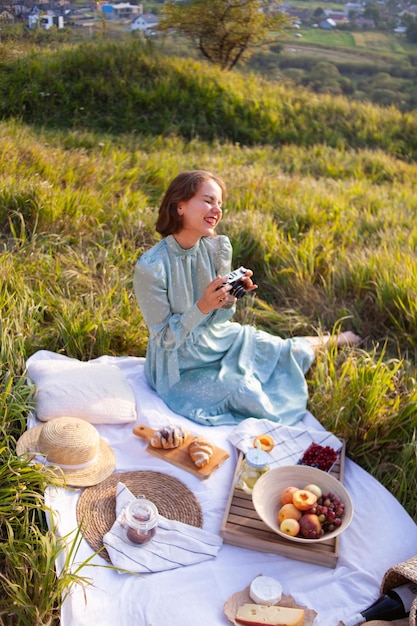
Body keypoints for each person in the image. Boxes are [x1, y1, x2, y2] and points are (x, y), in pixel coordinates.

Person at [133, 170, 360, 427]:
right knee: (247, 392)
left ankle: (335, 340)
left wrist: (230, 296)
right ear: (180, 206)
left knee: (276, 348)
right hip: (178, 368)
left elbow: (220, 319)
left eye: (220, 204)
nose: (216, 210)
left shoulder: (217, 248)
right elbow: (163, 340)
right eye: (208, 200)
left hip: (217, 340)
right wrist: (203, 306)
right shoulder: (152, 267)